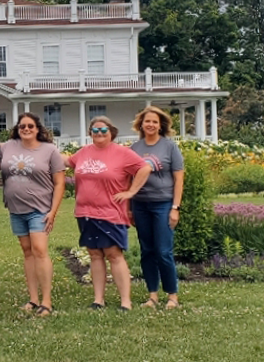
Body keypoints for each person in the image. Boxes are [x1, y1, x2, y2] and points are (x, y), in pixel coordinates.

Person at [64, 116, 152, 311]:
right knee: (94, 254)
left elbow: (145, 168)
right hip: (85, 212)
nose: (99, 134)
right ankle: (98, 300)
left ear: (111, 132)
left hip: (111, 212)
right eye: (95, 131)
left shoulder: (121, 153)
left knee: (113, 254)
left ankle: (125, 301)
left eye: (103, 130)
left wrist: (131, 192)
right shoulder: (83, 152)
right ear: (90, 134)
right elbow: (67, 162)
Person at [0, 112, 65, 317]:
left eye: (30, 126)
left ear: (37, 129)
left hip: (40, 209)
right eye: (22, 126)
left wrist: (53, 212)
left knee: (39, 250)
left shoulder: (49, 150)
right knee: (27, 252)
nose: (26, 129)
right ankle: (33, 298)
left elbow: (59, 182)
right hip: (16, 209)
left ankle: (47, 300)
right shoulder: (8, 146)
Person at [130, 106, 184, 310]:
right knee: (147, 251)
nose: (150, 124)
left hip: (163, 204)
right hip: (140, 205)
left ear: (160, 125)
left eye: (154, 121)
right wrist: (129, 207)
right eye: (147, 121)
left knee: (163, 251)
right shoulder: (134, 148)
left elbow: (179, 179)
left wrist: (175, 207)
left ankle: (172, 296)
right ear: (141, 125)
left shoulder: (169, 147)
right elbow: (128, 180)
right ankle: (152, 295)